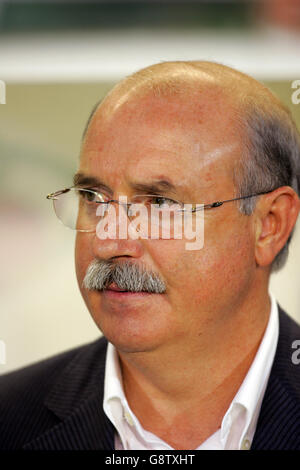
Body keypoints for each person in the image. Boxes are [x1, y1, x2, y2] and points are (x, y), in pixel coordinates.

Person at [1, 60, 300, 450]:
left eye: (159, 204)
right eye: (93, 198)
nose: (108, 243)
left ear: (269, 225)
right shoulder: (10, 420)